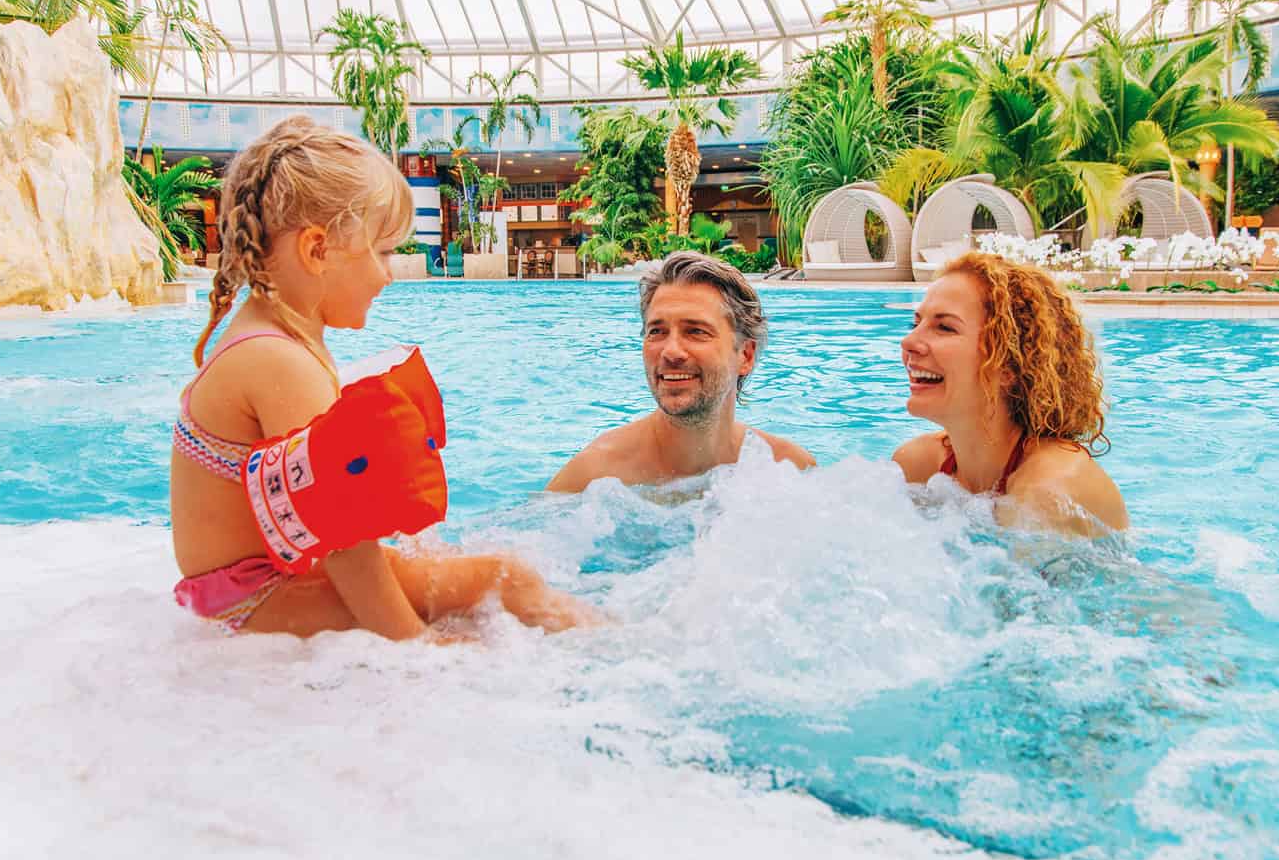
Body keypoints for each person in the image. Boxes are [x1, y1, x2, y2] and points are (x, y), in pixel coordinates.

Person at [170, 116, 590, 638]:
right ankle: (621, 650)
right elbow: (346, 546)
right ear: (317, 250)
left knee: (477, 579)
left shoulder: (272, 338)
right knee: (506, 580)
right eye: (384, 251)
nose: (389, 274)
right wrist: (414, 644)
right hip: (255, 603)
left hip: (252, 588)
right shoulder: (279, 362)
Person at [892, 252, 1128, 536]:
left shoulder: (1047, 491)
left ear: (1008, 366)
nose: (909, 341)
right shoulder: (920, 464)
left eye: (944, 327)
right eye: (915, 323)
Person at [547, 251, 815, 493]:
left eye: (696, 331)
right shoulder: (595, 478)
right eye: (657, 331)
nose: (670, 351)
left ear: (745, 355)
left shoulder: (788, 469)